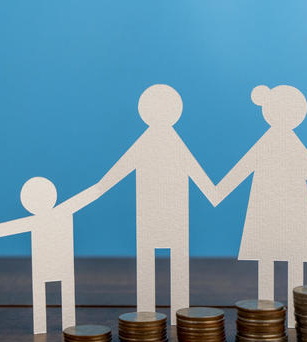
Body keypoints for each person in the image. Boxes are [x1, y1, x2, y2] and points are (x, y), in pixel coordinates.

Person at [214, 85, 307, 327]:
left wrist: (217, 192)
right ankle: (273, 317)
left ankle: (288, 318)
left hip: (286, 210)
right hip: (274, 209)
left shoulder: (279, 143)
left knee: (284, 258)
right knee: (277, 258)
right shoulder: (275, 143)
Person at [92, 84, 217, 325]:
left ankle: (173, 316)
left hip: (169, 214)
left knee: (167, 261)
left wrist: (98, 189)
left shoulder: (163, 142)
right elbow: (118, 172)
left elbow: (194, 171)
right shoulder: (157, 142)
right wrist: (214, 193)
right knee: (154, 261)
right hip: (155, 214)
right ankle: (150, 316)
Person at [0, 177, 100, 334]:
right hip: (46, 266)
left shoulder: (61, 211)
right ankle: (46, 328)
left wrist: (108, 181)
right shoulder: (60, 212)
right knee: (46, 297)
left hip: (58, 265)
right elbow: (6, 228)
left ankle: (63, 327)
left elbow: (92, 193)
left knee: (61, 296)